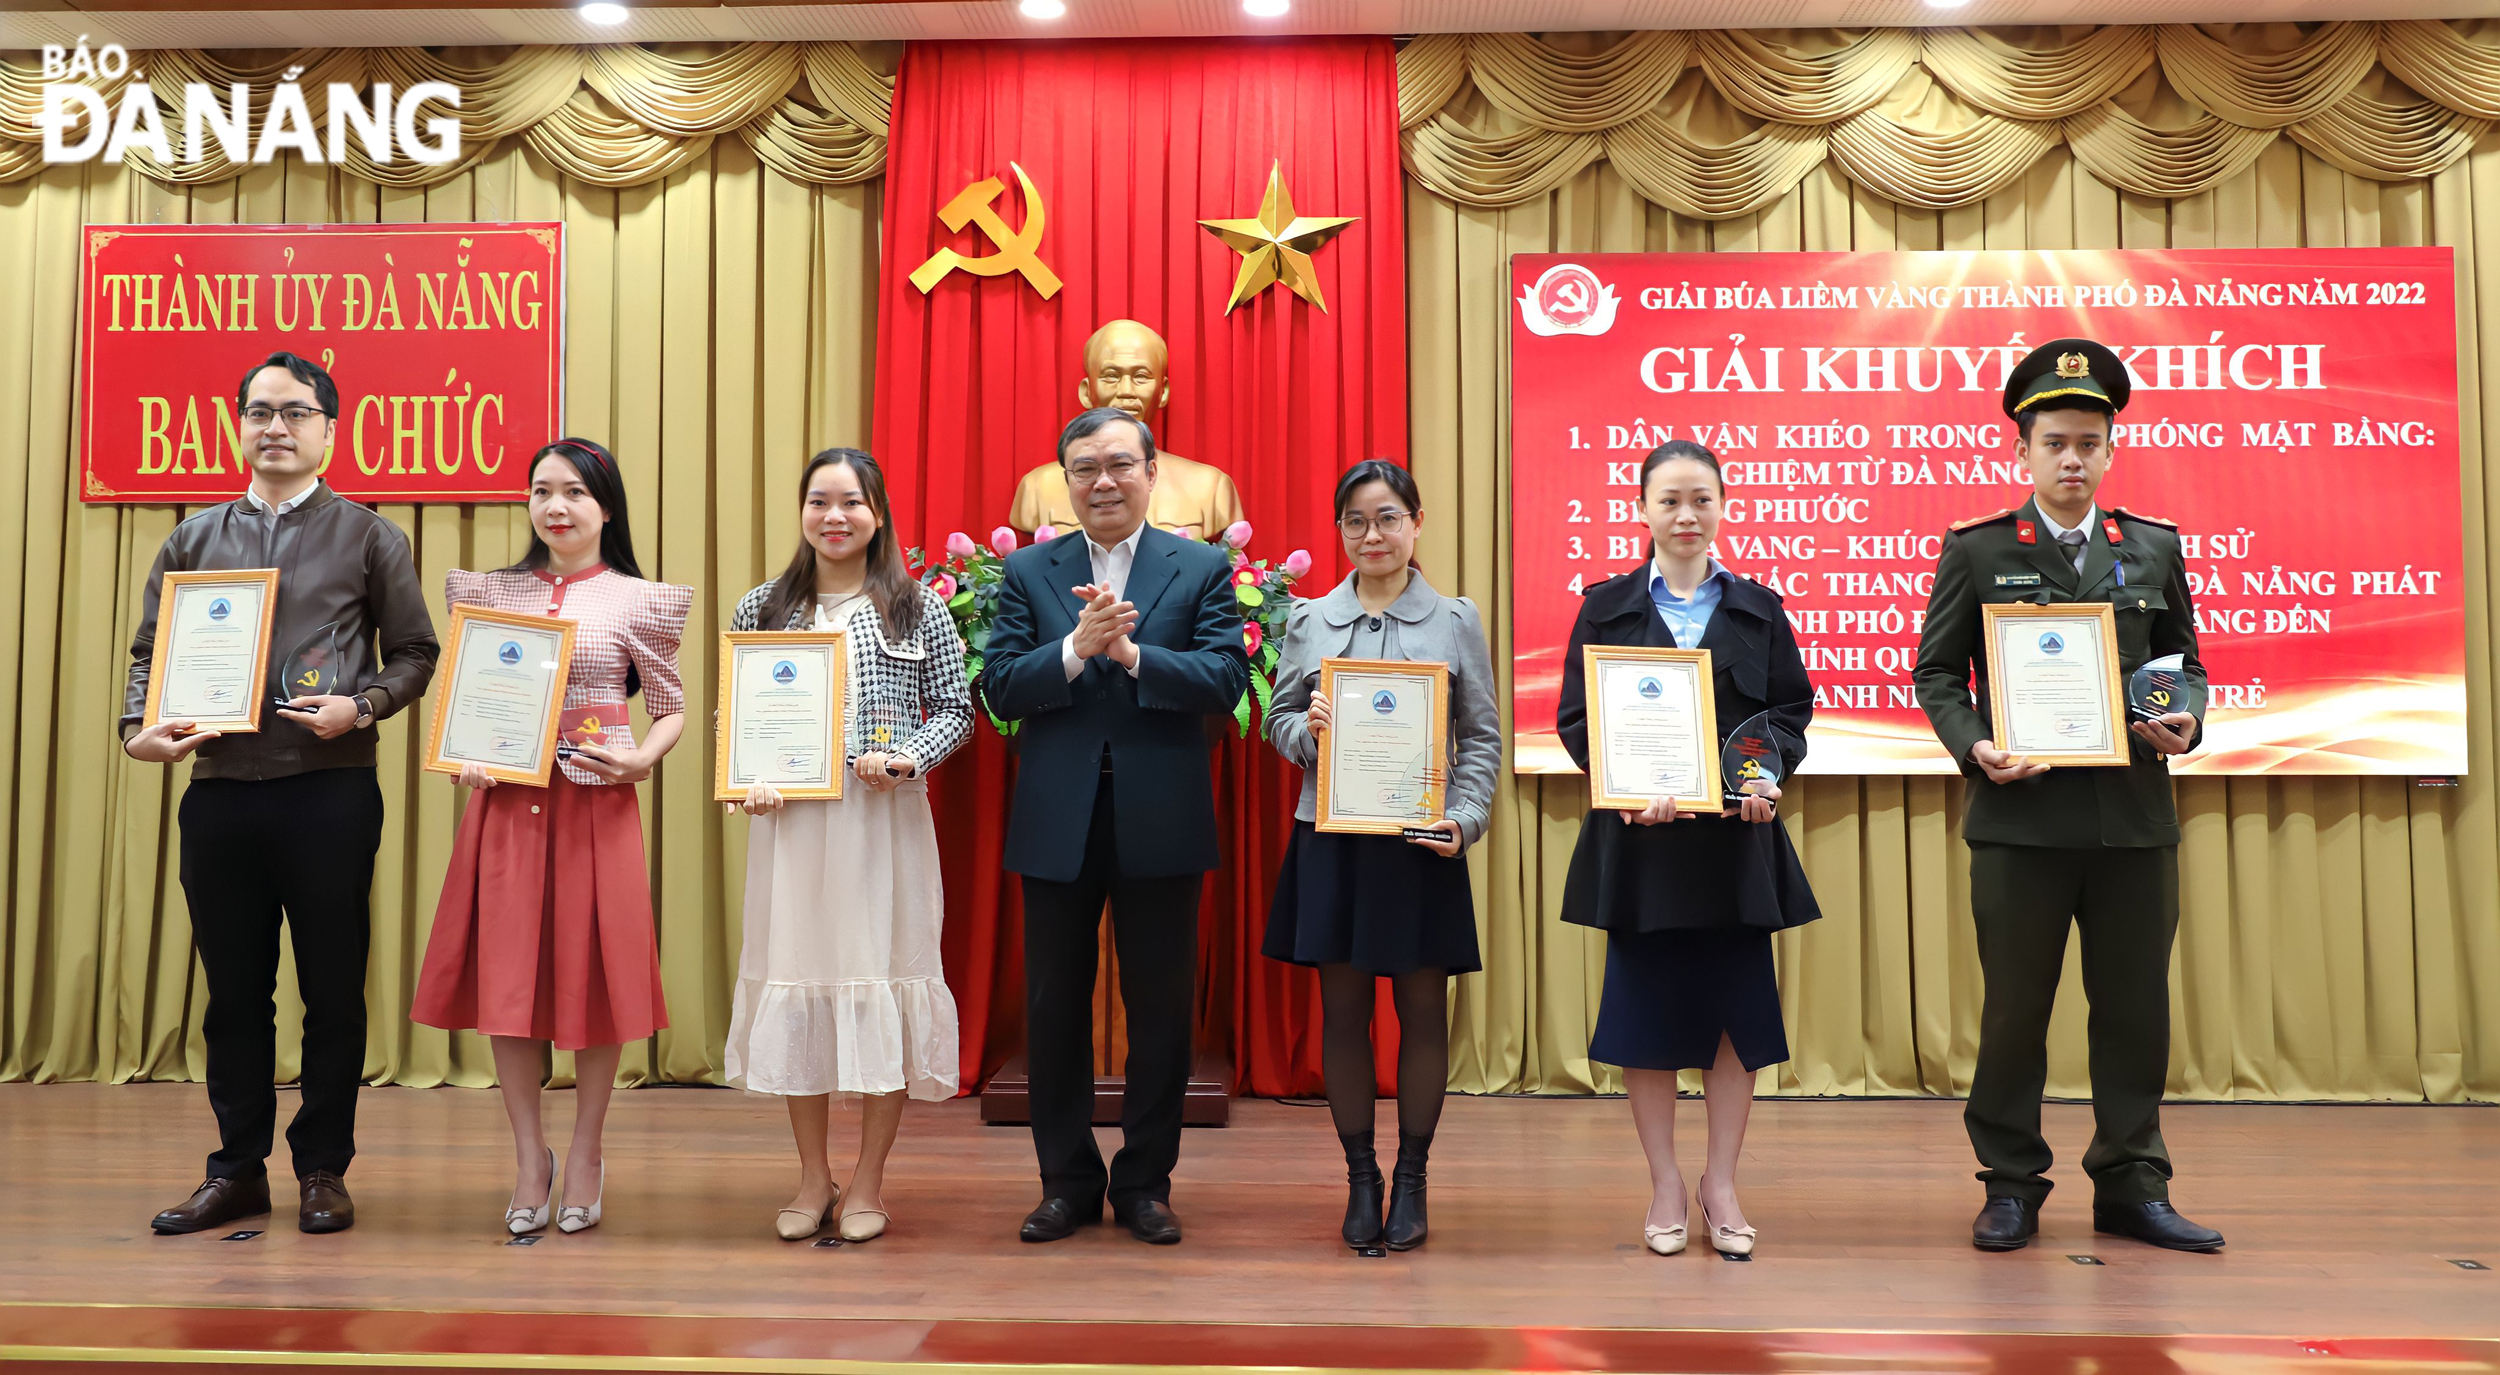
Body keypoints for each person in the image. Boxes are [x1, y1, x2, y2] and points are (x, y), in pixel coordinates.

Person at [1913, 339, 2220, 1255]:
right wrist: (1977, 748)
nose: (2073, 458)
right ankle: (2011, 1181)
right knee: (2016, 1008)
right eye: (2055, 441)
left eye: (2090, 440)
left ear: (2111, 447)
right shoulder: (1977, 551)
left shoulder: (2153, 548)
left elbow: (2187, 666)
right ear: (2024, 449)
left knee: (2134, 1008)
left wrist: (2187, 721)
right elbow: (1937, 674)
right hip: (2020, 821)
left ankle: (2132, 1178)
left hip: (2133, 818)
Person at [125, 351, 439, 1237]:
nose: (275, 427)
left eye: (295, 412)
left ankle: (323, 1169)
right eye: (259, 411)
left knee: (333, 989)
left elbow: (416, 652)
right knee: (234, 993)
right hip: (221, 794)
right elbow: (151, 654)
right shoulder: (193, 538)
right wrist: (135, 729)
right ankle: (236, 1169)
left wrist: (363, 703)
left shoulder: (371, 534)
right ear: (239, 425)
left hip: (329, 792)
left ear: (329, 431)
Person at [980, 406, 1250, 1246]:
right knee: (1054, 1010)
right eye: (1085, 467)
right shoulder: (1029, 571)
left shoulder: (1200, 566)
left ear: (1150, 470)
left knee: (1162, 1012)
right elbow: (1000, 686)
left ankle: (1144, 1183)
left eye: (1119, 465)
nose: (1103, 480)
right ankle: (1064, 1183)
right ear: (1066, 481)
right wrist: (1074, 647)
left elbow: (1225, 679)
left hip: (1161, 815)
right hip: (1058, 818)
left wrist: (1130, 655)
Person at [411, 438, 692, 1237]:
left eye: (573, 492)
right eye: (541, 491)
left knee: (594, 979)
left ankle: (588, 1149)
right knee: (508, 981)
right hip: (506, 805)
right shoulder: (489, 590)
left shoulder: (640, 598)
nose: (556, 506)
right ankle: (530, 1155)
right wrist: (467, 753)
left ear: (606, 506)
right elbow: (470, 696)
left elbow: (669, 704)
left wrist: (639, 758)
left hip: (596, 805)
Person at [1556, 441, 1821, 1260]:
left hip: (1734, 845)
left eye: (1701, 499)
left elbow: (1789, 712)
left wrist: (1766, 773)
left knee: (1735, 1022)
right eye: (1669, 500)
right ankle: (1667, 1182)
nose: (1685, 515)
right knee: (1646, 1019)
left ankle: (1722, 1183)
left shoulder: (1758, 608)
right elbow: (1577, 720)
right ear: (1642, 509)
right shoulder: (1604, 606)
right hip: (1644, 847)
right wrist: (1625, 782)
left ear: (1722, 506)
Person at [723, 447, 973, 1244]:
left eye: (852, 502)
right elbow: (739, 723)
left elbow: (956, 712)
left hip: (882, 826)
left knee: (877, 982)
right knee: (802, 984)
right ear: (802, 511)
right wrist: (749, 778)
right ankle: (810, 1177)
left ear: (878, 514)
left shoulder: (916, 605)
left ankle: (867, 1181)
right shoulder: (762, 606)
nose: (835, 516)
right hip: (792, 830)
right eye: (820, 500)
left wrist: (908, 758)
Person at [1262, 459, 1498, 1252]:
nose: (1374, 534)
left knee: (1422, 1013)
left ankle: (1415, 1175)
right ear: (1340, 531)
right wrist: (1311, 730)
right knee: (1346, 1014)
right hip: (1333, 838)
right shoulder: (1309, 619)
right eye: (1357, 520)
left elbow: (1482, 738)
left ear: (1416, 523)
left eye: (1389, 517)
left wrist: (1464, 819)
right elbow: (1278, 721)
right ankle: (1361, 1175)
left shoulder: (1457, 618)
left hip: (1421, 846)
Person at [1005, 319, 1245, 539]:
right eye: (1111, 376)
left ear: (1163, 392)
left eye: (1141, 376)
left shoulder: (1211, 488)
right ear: (1087, 392)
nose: (1127, 391)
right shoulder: (1036, 488)